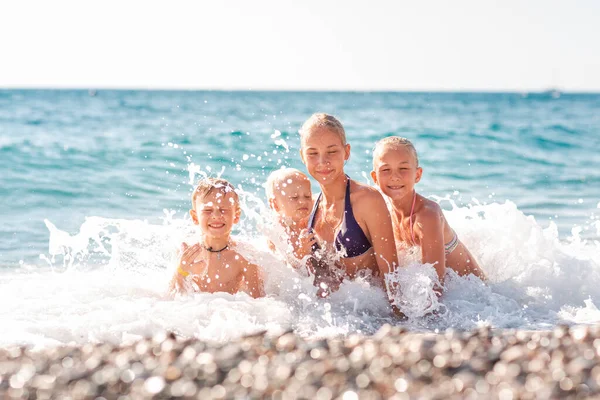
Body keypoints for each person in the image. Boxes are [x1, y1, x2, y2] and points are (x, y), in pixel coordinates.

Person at [370, 136, 486, 291]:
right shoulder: (385, 215)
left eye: (403, 169)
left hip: (477, 295)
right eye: (386, 170)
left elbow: (434, 286)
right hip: (454, 294)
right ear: (375, 178)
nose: (395, 176)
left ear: (417, 175)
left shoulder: (427, 215)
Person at [299, 113, 398, 292]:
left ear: (346, 152)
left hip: (374, 312)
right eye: (313, 153)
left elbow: (392, 277)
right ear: (302, 156)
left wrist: (397, 319)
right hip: (337, 314)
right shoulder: (311, 209)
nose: (323, 161)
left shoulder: (367, 200)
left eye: (332, 151)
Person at [169, 178, 265, 298]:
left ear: (236, 215)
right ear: (195, 217)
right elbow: (170, 296)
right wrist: (181, 271)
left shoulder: (245, 257)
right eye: (208, 210)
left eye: (223, 210)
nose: (216, 216)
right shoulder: (187, 252)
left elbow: (259, 301)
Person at [265, 168, 316, 264]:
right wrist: (302, 251)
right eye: (294, 198)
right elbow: (285, 268)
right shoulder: (277, 232)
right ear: (275, 204)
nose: (303, 201)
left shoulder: (308, 219)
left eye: (307, 196)